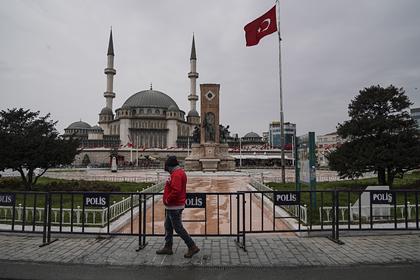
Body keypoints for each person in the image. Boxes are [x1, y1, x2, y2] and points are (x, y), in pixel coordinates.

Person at [156, 155, 200, 258]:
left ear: (170, 166)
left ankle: (192, 246)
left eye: (167, 167)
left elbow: (176, 190)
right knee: (168, 226)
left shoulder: (176, 174)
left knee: (178, 228)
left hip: (174, 206)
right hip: (172, 206)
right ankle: (168, 246)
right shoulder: (178, 173)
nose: (166, 169)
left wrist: (167, 200)